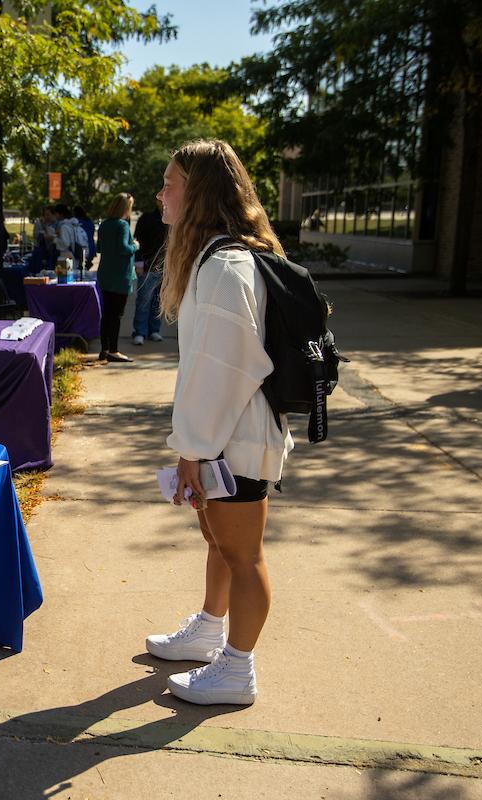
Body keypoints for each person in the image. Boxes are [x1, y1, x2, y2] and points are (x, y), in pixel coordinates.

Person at [144, 139, 292, 707]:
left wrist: (194, 449)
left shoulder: (226, 264)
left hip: (235, 436)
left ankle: (237, 668)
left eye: (170, 183)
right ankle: (210, 630)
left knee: (243, 553)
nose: (162, 193)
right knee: (218, 539)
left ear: (198, 192)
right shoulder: (215, 258)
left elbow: (223, 369)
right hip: (228, 433)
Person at [94, 192, 137, 362]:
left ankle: (104, 349)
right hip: (120, 276)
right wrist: (135, 246)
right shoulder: (122, 225)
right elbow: (124, 249)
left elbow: (99, 248)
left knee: (106, 314)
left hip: (105, 274)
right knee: (116, 315)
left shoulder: (104, 224)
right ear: (126, 208)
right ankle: (114, 350)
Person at [131, 199, 168, 345]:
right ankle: (140, 332)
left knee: (158, 302)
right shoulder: (146, 219)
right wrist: (138, 263)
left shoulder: (172, 218)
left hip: (165, 268)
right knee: (144, 301)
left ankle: (154, 330)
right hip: (147, 266)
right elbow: (137, 240)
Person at [74, 205, 97, 270]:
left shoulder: (77, 222)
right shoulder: (89, 221)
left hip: (83, 249)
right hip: (91, 248)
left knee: (81, 268)